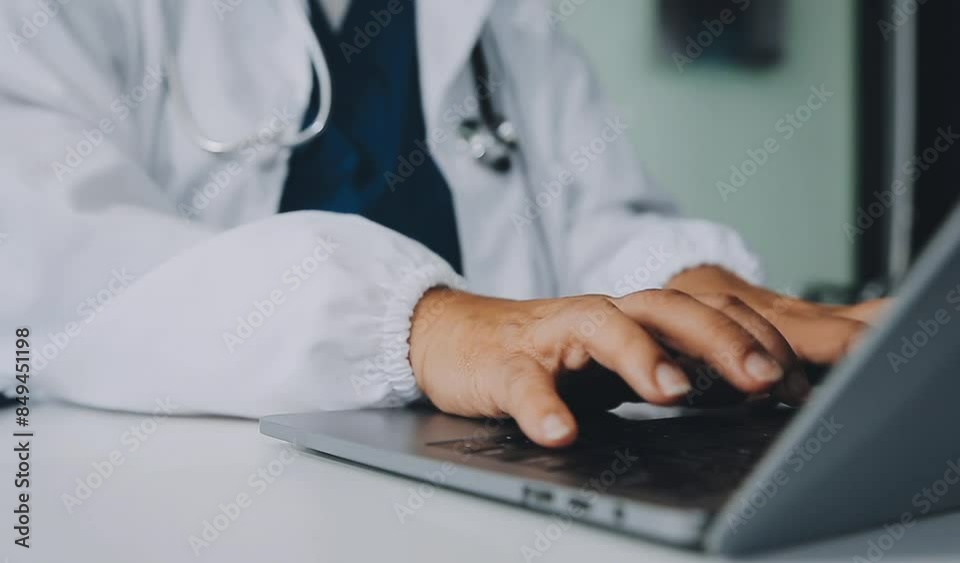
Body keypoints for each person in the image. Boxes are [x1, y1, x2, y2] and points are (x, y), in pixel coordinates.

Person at [0, 0, 881, 447]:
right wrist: (425, 326)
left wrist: (693, 289)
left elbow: (594, 214)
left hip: (483, 485)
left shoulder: (499, 15)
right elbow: (40, 266)